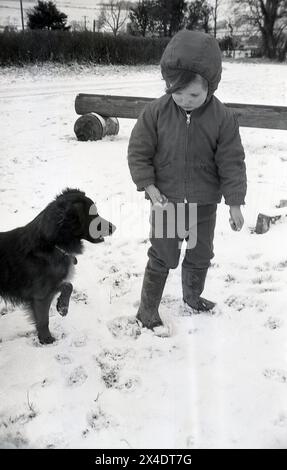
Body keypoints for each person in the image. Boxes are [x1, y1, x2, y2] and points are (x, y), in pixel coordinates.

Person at [127, 29, 247, 330]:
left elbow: (231, 162)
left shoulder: (223, 118)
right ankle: (148, 311)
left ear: (211, 86)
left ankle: (192, 296)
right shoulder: (155, 113)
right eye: (176, 92)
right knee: (163, 254)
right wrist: (149, 186)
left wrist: (234, 203)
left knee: (201, 253)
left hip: (204, 204)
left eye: (193, 94)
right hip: (166, 202)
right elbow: (139, 151)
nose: (184, 100)